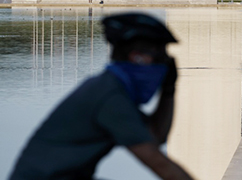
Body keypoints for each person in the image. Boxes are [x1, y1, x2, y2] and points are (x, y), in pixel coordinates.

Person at [9, 13, 194, 180]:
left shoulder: (112, 88)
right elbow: (160, 164)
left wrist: (169, 90)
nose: (165, 65)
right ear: (137, 57)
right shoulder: (110, 98)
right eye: (161, 58)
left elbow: (155, 136)